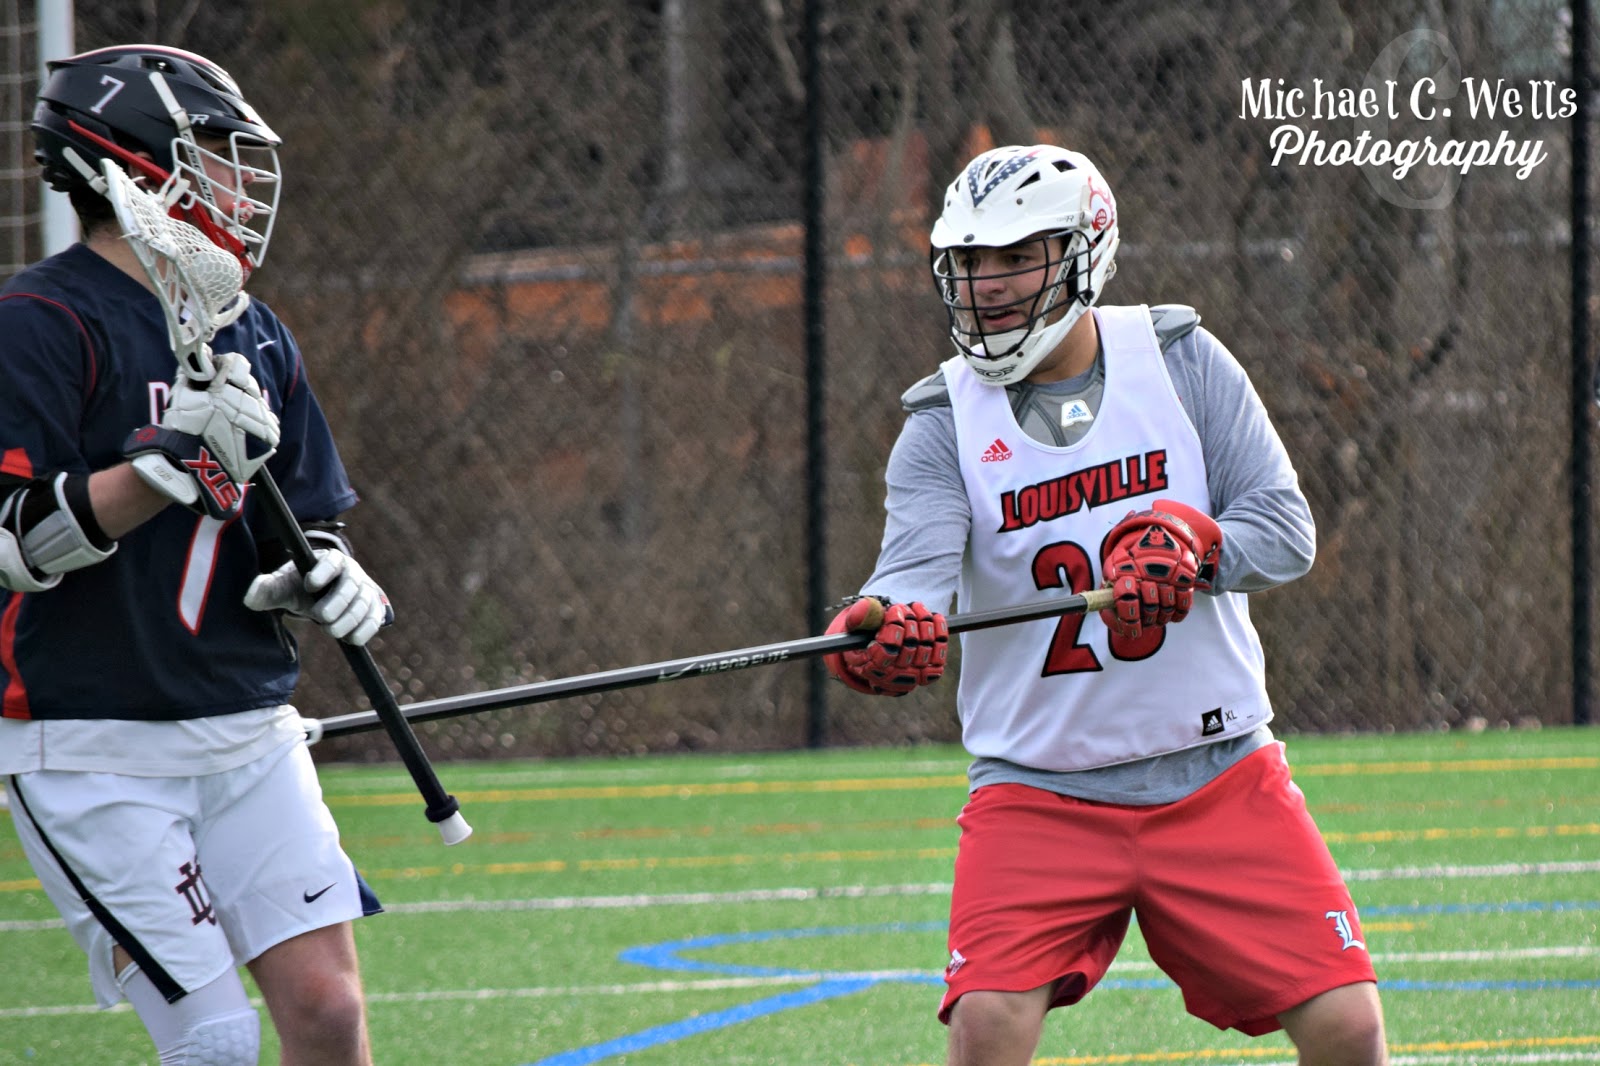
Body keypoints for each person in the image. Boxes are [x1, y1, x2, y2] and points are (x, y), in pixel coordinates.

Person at [823, 144, 1388, 1066]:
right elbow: (910, 574)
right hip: (1037, 788)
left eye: (1015, 257)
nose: (988, 284)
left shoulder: (1179, 357)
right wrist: (881, 625)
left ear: (1086, 250)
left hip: (1216, 771)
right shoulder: (940, 421)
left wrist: (1199, 547)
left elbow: (1284, 531)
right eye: (969, 262)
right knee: (988, 1028)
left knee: (1347, 1026)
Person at [0, 45, 392, 1065]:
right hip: (90, 747)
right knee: (214, 1036)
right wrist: (160, 468)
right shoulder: (39, 322)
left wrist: (326, 574)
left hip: (247, 728)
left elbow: (298, 518)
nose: (235, 179)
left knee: (329, 1011)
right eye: (211, 151)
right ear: (129, 161)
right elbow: (9, 541)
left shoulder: (252, 332)